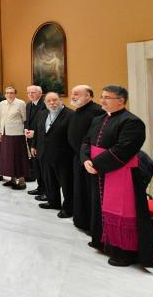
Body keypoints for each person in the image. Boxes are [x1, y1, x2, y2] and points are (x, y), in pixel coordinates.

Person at [82, 85, 153, 268]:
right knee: (99, 208)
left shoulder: (132, 121)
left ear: (121, 101)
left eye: (107, 97)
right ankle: (103, 242)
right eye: (102, 96)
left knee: (124, 211)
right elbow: (86, 141)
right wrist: (85, 160)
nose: (102, 100)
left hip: (122, 174)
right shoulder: (98, 119)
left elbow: (123, 149)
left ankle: (126, 253)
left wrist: (96, 164)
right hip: (98, 171)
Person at [68, 85, 104, 231]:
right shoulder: (79, 110)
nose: (73, 96)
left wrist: (86, 156)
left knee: (89, 193)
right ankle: (81, 220)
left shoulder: (97, 112)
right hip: (78, 157)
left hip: (90, 159)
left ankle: (91, 224)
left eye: (76, 94)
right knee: (80, 190)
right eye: (72, 93)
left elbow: (96, 138)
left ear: (88, 95)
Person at [32, 92, 74, 216]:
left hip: (63, 155)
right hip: (44, 153)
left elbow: (73, 137)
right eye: (49, 101)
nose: (52, 103)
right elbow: (38, 131)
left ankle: (68, 208)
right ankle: (53, 202)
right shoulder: (42, 114)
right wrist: (34, 145)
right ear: (45, 103)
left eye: (55, 100)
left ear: (60, 100)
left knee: (66, 184)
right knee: (49, 180)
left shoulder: (70, 115)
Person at [0, 86, 29, 189]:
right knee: (8, 158)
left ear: (15, 94)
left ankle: (22, 181)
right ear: (5, 94)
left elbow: (24, 119)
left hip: (17, 134)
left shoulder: (21, 103)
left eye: (11, 93)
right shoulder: (2, 103)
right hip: (5, 134)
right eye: (7, 93)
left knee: (18, 157)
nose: (9, 95)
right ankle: (12, 179)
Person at [24, 85, 47, 199]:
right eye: (28, 92)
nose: (30, 94)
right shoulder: (28, 105)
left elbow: (47, 123)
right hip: (30, 139)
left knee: (43, 167)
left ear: (40, 93)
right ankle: (40, 187)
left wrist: (35, 133)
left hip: (42, 140)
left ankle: (47, 191)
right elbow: (27, 121)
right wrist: (26, 129)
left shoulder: (45, 104)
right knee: (36, 165)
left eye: (33, 92)